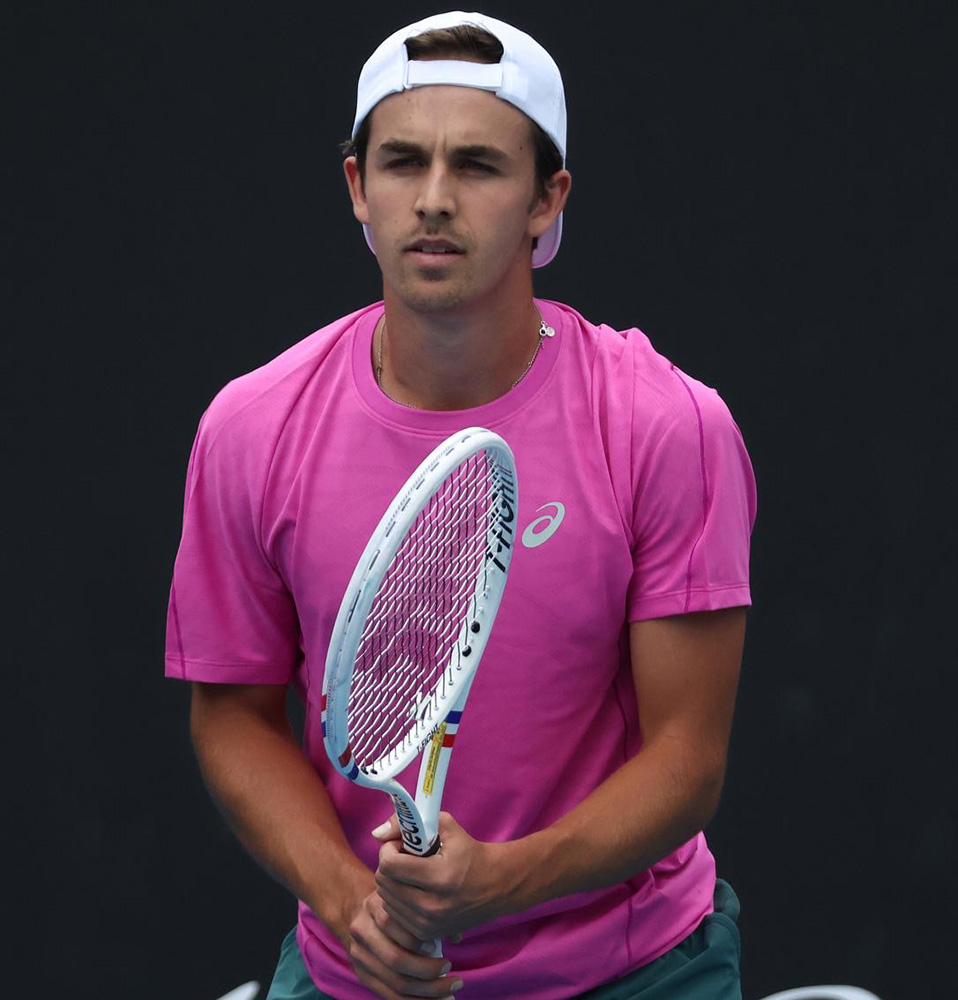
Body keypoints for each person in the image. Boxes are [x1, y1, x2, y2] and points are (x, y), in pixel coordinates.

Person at [165, 11, 756, 1000]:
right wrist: (354, 905)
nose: (433, 200)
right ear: (357, 186)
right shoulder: (251, 427)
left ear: (545, 197)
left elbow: (687, 756)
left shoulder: (667, 425)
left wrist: (500, 883)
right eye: (402, 163)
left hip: (632, 968)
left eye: (478, 166)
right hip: (358, 967)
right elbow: (231, 714)